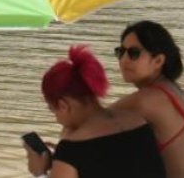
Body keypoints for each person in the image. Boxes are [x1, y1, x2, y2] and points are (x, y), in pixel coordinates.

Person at [26, 45, 166, 178]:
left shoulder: (72, 150)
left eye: (51, 109)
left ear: (63, 105)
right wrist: (61, 163)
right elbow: (117, 164)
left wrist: (40, 173)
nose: (56, 118)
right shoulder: (138, 121)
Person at [110, 21, 184, 178]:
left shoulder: (148, 100)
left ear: (158, 61)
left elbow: (86, 121)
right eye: (120, 52)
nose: (123, 60)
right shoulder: (174, 92)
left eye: (133, 53)